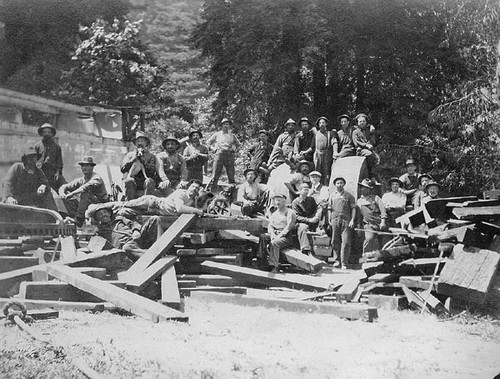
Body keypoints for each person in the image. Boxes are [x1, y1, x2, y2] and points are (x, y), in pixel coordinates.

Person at [87, 203, 163, 261]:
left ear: (109, 213)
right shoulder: (99, 231)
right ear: (97, 218)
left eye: (105, 212)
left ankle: (160, 249)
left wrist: (136, 230)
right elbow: (94, 244)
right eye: (100, 214)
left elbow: (133, 223)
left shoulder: (120, 219)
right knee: (127, 248)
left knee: (155, 219)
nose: (103, 215)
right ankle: (153, 258)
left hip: (139, 238)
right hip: (128, 245)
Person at [108, 179, 207, 217]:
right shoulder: (181, 193)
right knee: (125, 204)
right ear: (188, 187)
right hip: (151, 202)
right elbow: (179, 208)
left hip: (154, 211)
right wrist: (197, 211)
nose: (194, 189)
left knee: (125, 211)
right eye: (193, 186)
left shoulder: (193, 201)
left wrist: (202, 195)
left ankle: (108, 212)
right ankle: (102, 206)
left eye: (197, 188)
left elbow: (203, 210)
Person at [59, 156, 108, 227]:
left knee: (85, 194)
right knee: (67, 195)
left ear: (92, 167)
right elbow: (65, 186)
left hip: (101, 204)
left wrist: (72, 194)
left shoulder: (96, 178)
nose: (84, 168)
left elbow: (85, 188)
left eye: (87, 165)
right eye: (82, 166)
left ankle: (78, 220)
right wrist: (62, 193)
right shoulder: (82, 179)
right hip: (89, 204)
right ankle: (73, 216)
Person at [257, 193, 296, 273]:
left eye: (279, 200)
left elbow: (289, 227)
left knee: (274, 243)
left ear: (284, 201)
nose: (277, 203)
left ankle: (274, 266)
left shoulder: (289, 212)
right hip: (275, 234)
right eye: (276, 200)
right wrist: (272, 234)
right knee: (263, 237)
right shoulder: (275, 213)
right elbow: (270, 226)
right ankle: (261, 260)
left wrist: (279, 236)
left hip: (286, 237)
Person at [120, 131, 157, 200]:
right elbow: (122, 169)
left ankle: (146, 203)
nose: (140, 143)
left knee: (150, 181)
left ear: (146, 143)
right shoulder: (130, 155)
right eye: (138, 141)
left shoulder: (151, 156)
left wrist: (143, 161)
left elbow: (152, 171)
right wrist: (132, 160)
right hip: (133, 180)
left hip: (144, 181)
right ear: (135, 143)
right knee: (129, 181)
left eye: (142, 141)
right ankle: (130, 204)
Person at [329, 176, 356, 269]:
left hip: (346, 220)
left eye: (341, 183)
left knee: (346, 241)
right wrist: (330, 219)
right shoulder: (332, 196)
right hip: (335, 220)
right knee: (334, 241)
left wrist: (352, 220)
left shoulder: (349, 195)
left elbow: (353, 208)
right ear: (335, 185)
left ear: (344, 184)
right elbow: (329, 208)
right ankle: (337, 261)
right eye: (337, 183)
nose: (339, 185)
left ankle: (344, 262)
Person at [206, 118, 241, 191]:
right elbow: (208, 143)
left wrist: (234, 149)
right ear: (221, 126)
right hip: (219, 155)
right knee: (215, 175)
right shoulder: (217, 134)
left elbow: (238, 145)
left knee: (231, 174)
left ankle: (232, 193)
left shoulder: (232, 135)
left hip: (229, 156)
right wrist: (213, 149)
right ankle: (212, 192)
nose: (226, 126)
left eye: (227, 124)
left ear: (229, 126)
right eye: (224, 124)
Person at [357, 178, 387, 254]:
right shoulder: (359, 201)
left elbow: (382, 210)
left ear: (369, 189)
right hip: (368, 224)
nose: (363, 189)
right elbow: (358, 215)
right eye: (362, 187)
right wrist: (358, 225)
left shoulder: (376, 198)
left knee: (384, 241)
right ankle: (365, 258)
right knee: (369, 239)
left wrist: (383, 222)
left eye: (366, 188)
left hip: (379, 223)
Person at [292, 183, 323, 255]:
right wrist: (309, 220)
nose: (306, 191)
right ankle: (305, 250)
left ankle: (320, 252)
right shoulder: (295, 202)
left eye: (307, 190)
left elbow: (317, 207)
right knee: (303, 227)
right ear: (300, 191)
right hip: (300, 222)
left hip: (312, 221)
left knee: (321, 229)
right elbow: (296, 216)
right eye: (304, 190)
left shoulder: (311, 199)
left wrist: (317, 215)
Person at [34, 123, 65, 191]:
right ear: (42, 134)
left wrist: (58, 172)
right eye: (45, 132)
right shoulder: (37, 146)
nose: (47, 134)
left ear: (52, 134)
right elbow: (34, 159)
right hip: (40, 172)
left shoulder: (57, 147)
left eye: (48, 132)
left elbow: (59, 161)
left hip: (52, 173)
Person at [352, 113, 379, 179]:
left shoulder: (369, 130)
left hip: (370, 148)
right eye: (360, 121)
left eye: (363, 121)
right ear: (357, 123)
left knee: (377, 158)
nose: (362, 123)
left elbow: (373, 140)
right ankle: (370, 175)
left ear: (366, 122)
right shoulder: (355, 132)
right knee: (369, 155)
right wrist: (366, 145)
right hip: (360, 150)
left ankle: (374, 176)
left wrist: (370, 143)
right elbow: (356, 142)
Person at [313, 116, 337, 184]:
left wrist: (335, 151)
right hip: (317, 155)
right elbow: (312, 146)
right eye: (320, 123)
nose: (321, 124)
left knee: (327, 172)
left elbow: (334, 142)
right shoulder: (316, 134)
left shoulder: (330, 133)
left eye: (323, 122)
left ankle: (326, 187)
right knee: (317, 172)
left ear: (326, 124)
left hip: (327, 154)